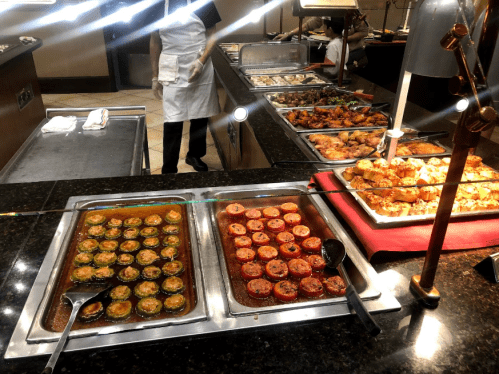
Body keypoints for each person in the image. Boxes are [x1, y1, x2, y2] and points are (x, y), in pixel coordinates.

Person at [150, 0, 221, 174]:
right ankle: (169, 168)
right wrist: (154, 76)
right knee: (172, 119)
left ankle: (194, 155)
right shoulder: (157, 5)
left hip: (198, 62)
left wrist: (201, 61)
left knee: (200, 115)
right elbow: (154, 41)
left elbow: (212, 35)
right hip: (171, 65)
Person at [274, 12, 368, 68]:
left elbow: (364, 32)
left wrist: (343, 39)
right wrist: (289, 34)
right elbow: (308, 25)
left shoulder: (351, 9)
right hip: (339, 53)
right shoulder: (325, 6)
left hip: (353, 53)